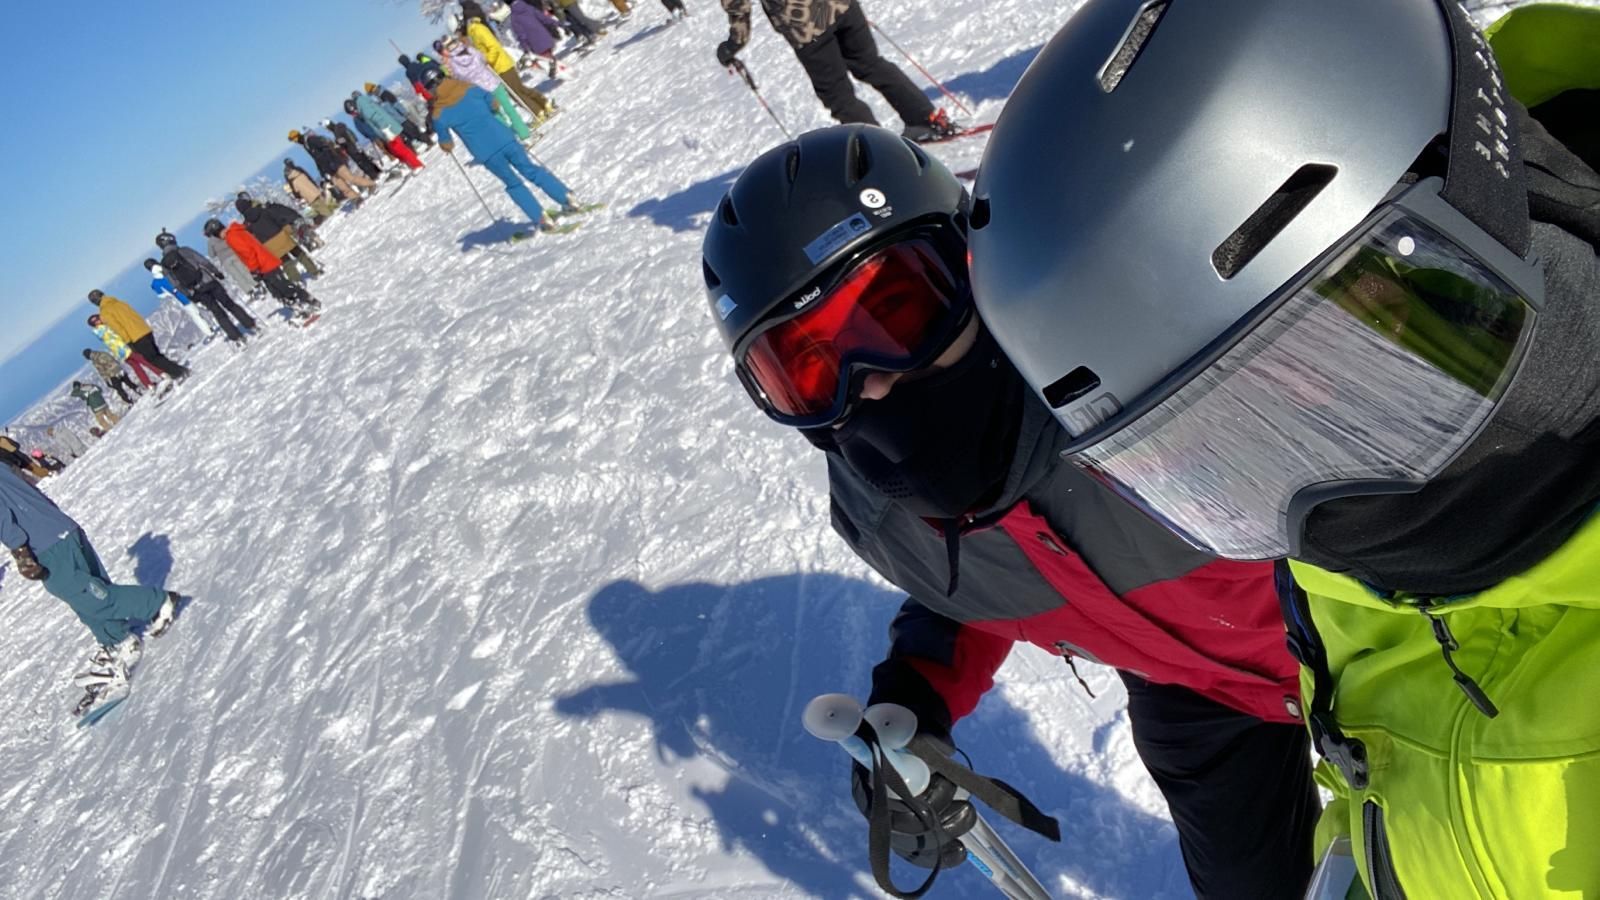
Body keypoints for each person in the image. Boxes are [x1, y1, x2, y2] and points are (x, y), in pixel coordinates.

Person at [964, 1, 1600, 897]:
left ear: (1493, 189)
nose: (1334, 490)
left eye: (1367, 337)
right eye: (1226, 447)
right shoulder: (1346, 589)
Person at [699, 125, 1319, 898]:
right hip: (1197, 693)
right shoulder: (888, 506)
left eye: (897, 313)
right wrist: (917, 695)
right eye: (811, 371)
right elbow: (972, 579)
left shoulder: (1139, 367)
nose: (874, 382)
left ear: (973, 267)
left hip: (1370, 636)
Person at [0, 463, 182, 718]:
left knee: (90, 597)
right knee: (87, 594)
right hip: (58, 530)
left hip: (45, 542)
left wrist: (20, 551)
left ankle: (157, 603)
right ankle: (118, 641)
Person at [716, 0, 956, 141]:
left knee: (837, 94)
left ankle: (882, 150)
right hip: (842, 6)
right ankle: (925, 120)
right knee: (871, 64)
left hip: (806, 24)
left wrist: (733, 45)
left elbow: (738, 6)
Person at [427, 70, 588, 232]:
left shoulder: (439, 113)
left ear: (430, 88)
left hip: (486, 153)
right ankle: (567, 198)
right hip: (505, 138)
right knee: (531, 170)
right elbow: (493, 102)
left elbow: (446, 143)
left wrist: (447, 145)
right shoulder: (470, 88)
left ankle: (542, 218)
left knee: (513, 183)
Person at [155, 230, 257, 346]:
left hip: (196, 290)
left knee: (217, 312)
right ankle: (251, 325)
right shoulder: (184, 250)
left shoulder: (164, 265)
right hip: (208, 281)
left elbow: (174, 283)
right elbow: (202, 261)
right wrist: (216, 272)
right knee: (229, 304)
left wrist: (188, 294)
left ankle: (237, 338)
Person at [461, 5, 558, 122]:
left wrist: (486, 60)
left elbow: (493, 47)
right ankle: (543, 104)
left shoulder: (477, 29)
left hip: (501, 65)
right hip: (499, 65)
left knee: (516, 92)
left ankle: (538, 111)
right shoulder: (474, 30)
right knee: (519, 89)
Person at [212, 218, 321, 320]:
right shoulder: (236, 231)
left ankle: (307, 300)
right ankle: (298, 308)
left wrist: (254, 269)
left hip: (264, 265)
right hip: (264, 262)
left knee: (283, 287)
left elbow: (248, 253)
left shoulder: (231, 237)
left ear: (216, 233)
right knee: (277, 291)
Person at [440, 35, 534, 142]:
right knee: (509, 108)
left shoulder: (453, 63)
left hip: (481, 91)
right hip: (492, 82)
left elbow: (459, 78)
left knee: (497, 115)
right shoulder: (470, 50)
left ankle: (511, 137)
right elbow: (483, 59)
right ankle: (524, 133)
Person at [87, 290, 188, 380]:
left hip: (135, 337)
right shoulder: (119, 303)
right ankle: (177, 371)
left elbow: (117, 328)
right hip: (144, 329)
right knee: (157, 355)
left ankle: (179, 372)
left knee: (152, 358)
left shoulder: (105, 312)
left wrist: (128, 342)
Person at [235, 194, 322, 281]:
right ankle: (314, 270)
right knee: (299, 253)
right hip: (281, 235)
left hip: (269, 245)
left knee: (286, 262)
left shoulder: (247, 225)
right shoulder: (262, 210)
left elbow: (254, 239)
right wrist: (287, 228)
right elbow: (277, 219)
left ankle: (296, 279)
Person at [143, 258, 218, 341]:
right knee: (209, 306)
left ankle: (209, 332)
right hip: (191, 290)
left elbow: (162, 295)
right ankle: (218, 322)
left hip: (181, 299)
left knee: (196, 316)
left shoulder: (155, 284)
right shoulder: (169, 269)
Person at [291, 128, 375, 202]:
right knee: (341, 186)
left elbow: (325, 148)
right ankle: (355, 198)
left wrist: (331, 162)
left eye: (294, 138)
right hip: (329, 169)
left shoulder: (311, 140)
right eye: (293, 140)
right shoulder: (306, 145)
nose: (295, 141)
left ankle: (370, 184)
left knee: (351, 178)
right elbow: (317, 159)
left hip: (335, 163)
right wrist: (323, 172)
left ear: (298, 135)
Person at [355, 88, 425, 170]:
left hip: (386, 129)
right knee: (400, 148)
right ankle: (414, 164)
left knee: (399, 148)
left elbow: (374, 116)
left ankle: (416, 165)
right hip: (389, 127)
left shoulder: (362, 104)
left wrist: (385, 128)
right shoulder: (366, 101)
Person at [87, 313, 164, 388]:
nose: (99, 320)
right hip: (125, 347)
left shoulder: (99, 333)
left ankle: (148, 384)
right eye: (97, 320)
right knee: (144, 361)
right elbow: (118, 334)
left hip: (120, 353)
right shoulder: (106, 327)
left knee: (136, 367)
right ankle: (161, 373)